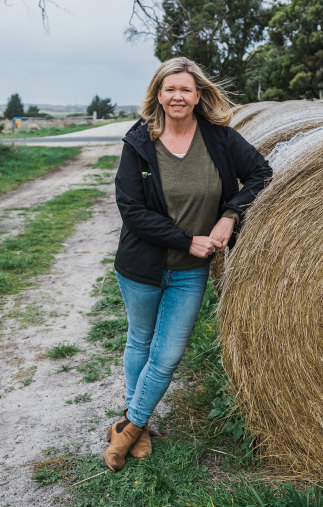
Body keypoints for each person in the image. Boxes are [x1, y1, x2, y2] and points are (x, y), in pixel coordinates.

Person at [104, 56, 272, 472]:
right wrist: (186, 240)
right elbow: (132, 210)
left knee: (169, 352)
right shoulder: (139, 142)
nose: (177, 96)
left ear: (198, 95)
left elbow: (261, 174)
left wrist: (231, 215)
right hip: (141, 265)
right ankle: (139, 426)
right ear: (158, 95)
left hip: (189, 271)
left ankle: (129, 427)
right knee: (140, 340)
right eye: (169, 89)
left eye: (185, 89)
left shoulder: (220, 139)